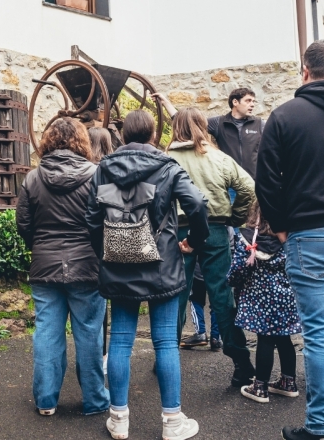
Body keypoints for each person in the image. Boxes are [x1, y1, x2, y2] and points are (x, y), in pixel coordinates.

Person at [255, 39, 324, 440]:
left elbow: (266, 181)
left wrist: (282, 226)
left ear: (305, 71)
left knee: (322, 338)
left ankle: (321, 429)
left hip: (312, 237)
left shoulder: (284, 116)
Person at [86, 110, 209, 440]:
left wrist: (106, 251)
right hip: (162, 265)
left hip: (117, 265)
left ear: (123, 135)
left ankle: (118, 419)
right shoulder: (168, 166)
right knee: (166, 342)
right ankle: (172, 422)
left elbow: (91, 219)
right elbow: (197, 204)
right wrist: (193, 241)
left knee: (120, 341)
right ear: (154, 135)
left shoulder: (103, 169)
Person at [16, 117, 109, 417]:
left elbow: (24, 225)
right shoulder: (96, 175)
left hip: (45, 266)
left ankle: (46, 400)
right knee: (90, 334)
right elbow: (105, 221)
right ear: (82, 141)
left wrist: (41, 247)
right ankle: (95, 400)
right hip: (87, 266)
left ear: (48, 141)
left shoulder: (33, 178)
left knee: (47, 332)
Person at [166, 107, 256, 388]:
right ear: (202, 126)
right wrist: (236, 218)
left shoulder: (166, 159)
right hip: (215, 229)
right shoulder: (219, 157)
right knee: (222, 296)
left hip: (178, 232)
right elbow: (248, 188)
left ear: (176, 128)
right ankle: (241, 362)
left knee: (175, 295)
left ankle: (166, 357)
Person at [228, 201, 302, 404]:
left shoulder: (247, 239)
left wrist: (232, 282)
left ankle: (260, 387)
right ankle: (288, 383)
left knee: (265, 339)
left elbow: (238, 270)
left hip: (260, 299)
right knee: (284, 338)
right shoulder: (290, 238)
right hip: (286, 297)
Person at [154, 87, 264, 179]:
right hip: (230, 183)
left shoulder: (259, 124)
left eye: (253, 101)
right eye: (248, 101)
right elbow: (188, 123)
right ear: (235, 102)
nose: (252, 104)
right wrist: (165, 103)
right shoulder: (219, 123)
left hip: (255, 181)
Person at [88, 126, 114, 370]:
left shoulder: (84, 171)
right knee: (101, 305)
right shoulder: (109, 173)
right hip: (107, 246)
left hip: (84, 245)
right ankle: (103, 355)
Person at [180, 263, 222, 352]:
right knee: (217, 304)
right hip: (217, 268)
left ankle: (200, 333)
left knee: (196, 300)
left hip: (197, 270)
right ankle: (216, 339)